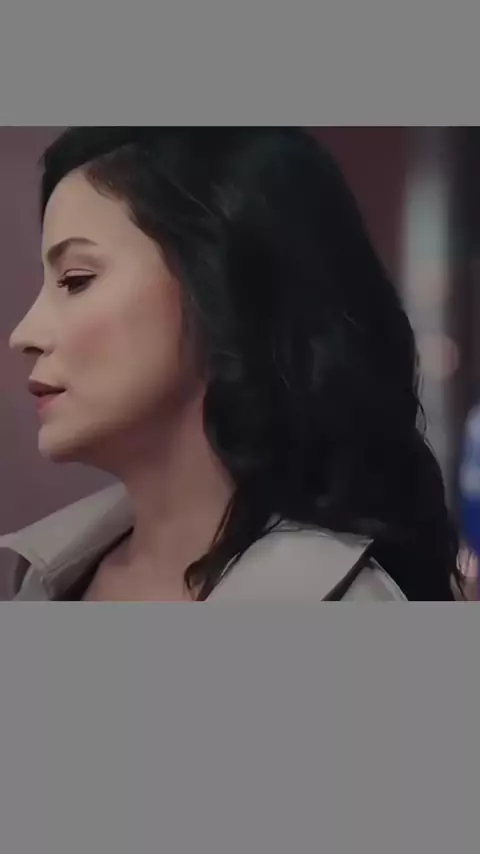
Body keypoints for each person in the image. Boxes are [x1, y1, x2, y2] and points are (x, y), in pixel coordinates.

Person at [0, 127, 461, 601]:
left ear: (223, 286)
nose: (24, 334)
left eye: (76, 279)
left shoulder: (344, 602)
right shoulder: (45, 580)